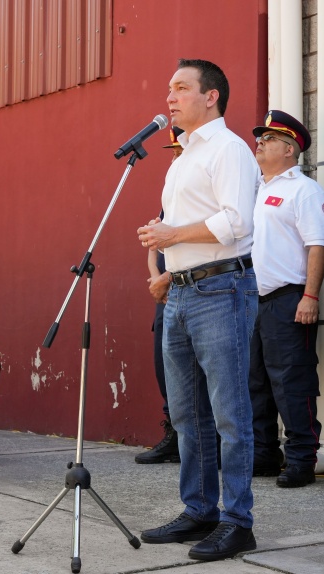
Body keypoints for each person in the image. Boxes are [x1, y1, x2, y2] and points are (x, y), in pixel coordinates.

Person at [136, 58, 259, 562]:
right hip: (183, 291)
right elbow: (192, 227)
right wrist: (169, 268)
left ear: (211, 97)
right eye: (169, 89)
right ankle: (199, 510)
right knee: (187, 413)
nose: (170, 97)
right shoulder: (181, 155)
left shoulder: (228, 149)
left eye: (181, 88)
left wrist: (172, 235)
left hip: (221, 292)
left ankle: (237, 520)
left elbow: (236, 222)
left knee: (229, 413)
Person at [248, 110, 324, 488]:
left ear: (289, 149)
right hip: (252, 300)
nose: (259, 144)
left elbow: (317, 245)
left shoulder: (304, 190)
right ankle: (264, 454)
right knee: (255, 382)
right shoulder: (255, 189)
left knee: (291, 382)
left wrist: (310, 295)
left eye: (268, 139)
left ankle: (301, 459)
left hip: (288, 298)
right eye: (260, 138)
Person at [135, 126, 184, 465]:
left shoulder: (200, 192)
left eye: (180, 150)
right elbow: (154, 243)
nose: (175, 156)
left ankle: (193, 438)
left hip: (188, 287)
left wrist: (166, 279)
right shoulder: (172, 193)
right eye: (173, 151)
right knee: (164, 367)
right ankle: (174, 434)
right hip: (164, 294)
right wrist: (155, 279)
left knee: (189, 371)